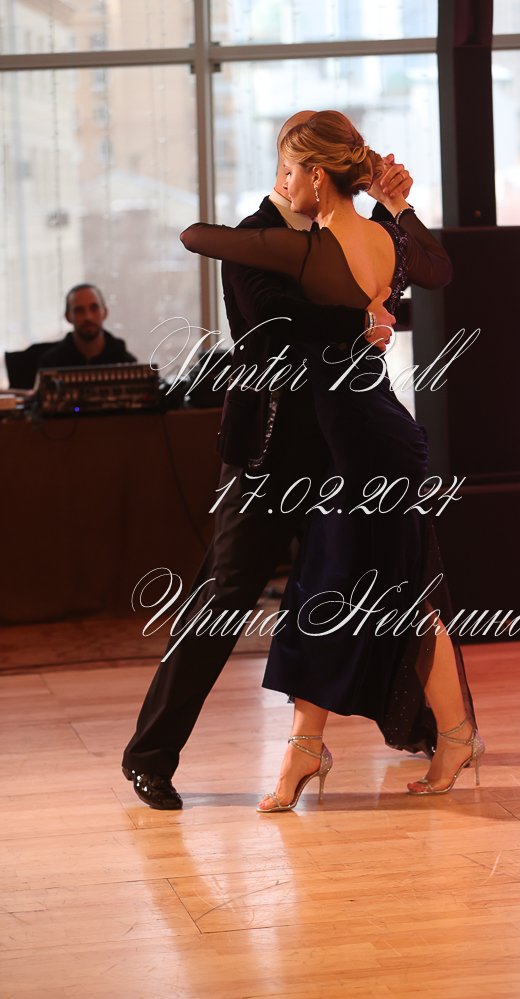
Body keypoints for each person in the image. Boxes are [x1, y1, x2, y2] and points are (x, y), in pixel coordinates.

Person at [180, 110, 483, 813]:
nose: (281, 182)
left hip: (358, 447)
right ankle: (379, 742)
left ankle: (360, 745)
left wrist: (298, 230)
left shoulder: (311, 250)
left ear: (318, 175)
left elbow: (198, 236)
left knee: (353, 598)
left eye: (290, 169)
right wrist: (397, 205)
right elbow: (438, 269)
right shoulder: (383, 238)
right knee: (368, 595)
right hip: (377, 434)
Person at [121, 111, 407, 809]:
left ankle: (420, 726)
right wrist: (358, 319)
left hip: (340, 448)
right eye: (303, 169)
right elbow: (274, 329)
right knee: (222, 599)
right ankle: (150, 755)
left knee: (368, 585)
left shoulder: (338, 231)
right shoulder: (251, 239)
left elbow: (387, 287)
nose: (306, 180)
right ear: (295, 172)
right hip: (267, 454)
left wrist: (388, 221)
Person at [39, 284, 136, 368]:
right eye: (79, 310)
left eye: (94, 308)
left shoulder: (126, 363)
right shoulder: (51, 365)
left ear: (105, 312)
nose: (88, 317)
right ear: (67, 317)